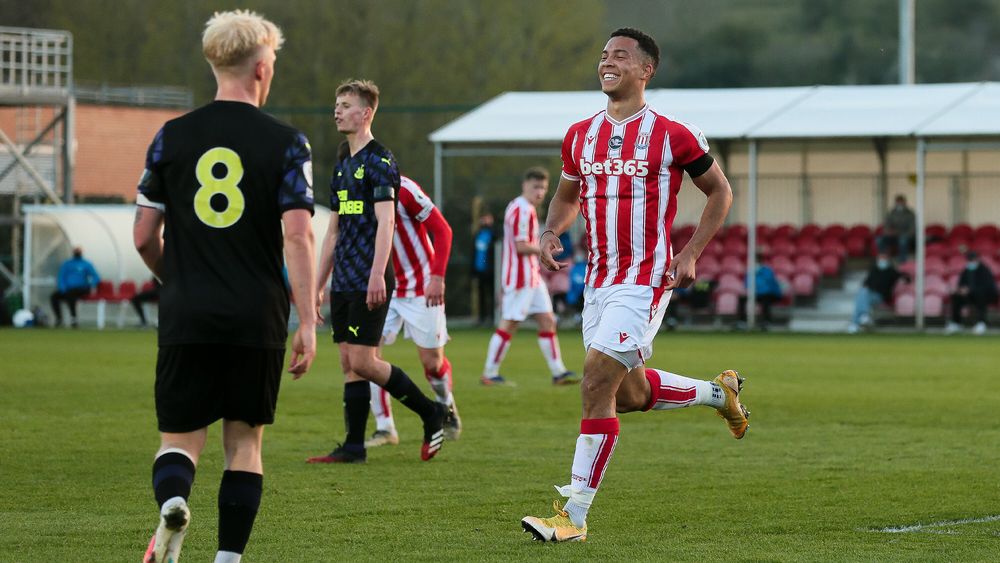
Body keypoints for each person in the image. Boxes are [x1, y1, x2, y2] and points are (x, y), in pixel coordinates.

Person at [522, 28, 748, 543]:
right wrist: (550, 230)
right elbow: (565, 197)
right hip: (598, 281)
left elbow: (720, 191)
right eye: (604, 55)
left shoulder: (673, 133)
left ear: (646, 70)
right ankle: (720, 393)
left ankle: (573, 517)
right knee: (626, 394)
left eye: (621, 56)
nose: (608, 62)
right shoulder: (580, 134)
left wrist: (691, 251)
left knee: (595, 382)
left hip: (645, 279)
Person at [133, 10, 318, 563]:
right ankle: (228, 559)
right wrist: (307, 319)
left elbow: (143, 236)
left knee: (180, 440)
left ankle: (173, 502)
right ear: (262, 67)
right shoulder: (288, 144)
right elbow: (299, 237)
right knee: (244, 442)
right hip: (255, 315)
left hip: (187, 311)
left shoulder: (171, 136)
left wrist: (181, 280)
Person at [308, 79, 445, 464]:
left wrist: (376, 273)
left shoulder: (380, 162)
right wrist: (318, 284)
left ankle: (431, 412)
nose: (337, 110)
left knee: (365, 361)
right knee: (348, 363)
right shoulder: (342, 167)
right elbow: (333, 231)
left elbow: (387, 224)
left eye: (346, 104)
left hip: (370, 278)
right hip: (344, 281)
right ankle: (353, 446)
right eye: (336, 103)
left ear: (365, 113)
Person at [366, 175, 462, 447]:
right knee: (368, 357)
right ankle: (385, 428)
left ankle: (446, 405)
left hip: (421, 287)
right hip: (383, 287)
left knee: (432, 363)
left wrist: (438, 277)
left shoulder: (404, 189)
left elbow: (443, 230)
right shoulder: (354, 189)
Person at [480, 166, 578, 386]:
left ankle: (558, 372)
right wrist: (544, 250)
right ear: (525, 185)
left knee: (547, 320)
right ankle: (490, 373)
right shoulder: (521, 209)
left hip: (532, 276)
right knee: (510, 322)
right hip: (519, 277)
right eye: (536, 186)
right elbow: (521, 246)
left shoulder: (525, 209)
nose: (540, 192)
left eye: (543, 187)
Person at [847, 253, 903, 334]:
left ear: (888, 261)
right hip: (870, 295)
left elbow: (904, 276)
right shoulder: (874, 270)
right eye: (880, 259)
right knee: (862, 294)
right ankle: (863, 317)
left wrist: (906, 278)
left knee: (861, 297)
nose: (882, 261)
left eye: (884, 259)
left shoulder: (891, 272)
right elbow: (865, 283)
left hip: (881, 297)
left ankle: (855, 323)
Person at [946, 251, 998, 335]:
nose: (971, 262)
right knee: (956, 297)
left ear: (977, 259)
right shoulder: (966, 271)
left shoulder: (984, 270)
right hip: (970, 295)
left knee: (980, 296)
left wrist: (970, 290)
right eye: (969, 260)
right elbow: (961, 284)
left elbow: (987, 286)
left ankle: (981, 323)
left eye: (972, 260)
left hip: (986, 295)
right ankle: (956, 323)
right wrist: (960, 290)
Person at [49, 246, 99, 327]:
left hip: (82, 288)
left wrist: (91, 284)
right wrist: (62, 288)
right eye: (76, 251)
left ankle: (73, 318)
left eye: (78, 251)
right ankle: (59, 318)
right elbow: (61, 277)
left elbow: (96, 277)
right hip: (68, 290)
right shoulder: (67, 264)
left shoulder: (86, 264)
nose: (77, 253)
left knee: (71, 294)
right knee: (54, 296)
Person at [737, 254, 784, 330]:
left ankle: (766, 322)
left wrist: (755, 290)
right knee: (741, 299)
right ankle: (742, 321)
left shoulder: (767, 271)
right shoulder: (750, 272)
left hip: (770, 294)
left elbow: (768, 285)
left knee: (766, 300)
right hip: (756, 294)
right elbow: (746, 285)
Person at [471, 213, 496, 325]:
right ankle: (482, 318)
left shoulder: (493, 235)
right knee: (481, 295)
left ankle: (493, 317)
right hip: (479, 271)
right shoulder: (478, 234)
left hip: (491, 271)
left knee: (492, 294)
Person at [877, 194, 916, 262]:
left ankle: (902, 262)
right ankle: (883, 260)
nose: (899, 204)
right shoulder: (891, 213)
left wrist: (899, 233)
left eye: (901, 202)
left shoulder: (910, 214)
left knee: (902, 241)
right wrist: (888, 232)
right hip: (893, 236)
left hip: (905, 236)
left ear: (905, 202)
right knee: (879, 240)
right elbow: (886, 226)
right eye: (898, 202)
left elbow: (912, 229)